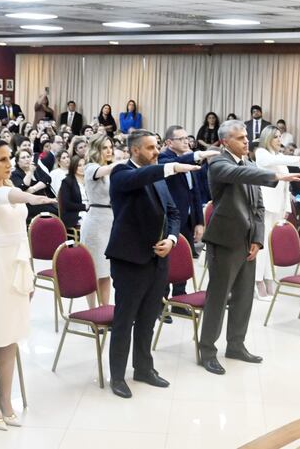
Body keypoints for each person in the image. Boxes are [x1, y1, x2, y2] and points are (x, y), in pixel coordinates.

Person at [0, 137, 55, 430]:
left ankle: (5, 398)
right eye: (3, 159)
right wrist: (30, 197)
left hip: (15, 264)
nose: (9, 164)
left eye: (10, 158)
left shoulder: (9, 189)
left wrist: (28, 272)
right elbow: (2, 199)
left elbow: (20, 233)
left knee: (10, 336)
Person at [198, 120, 300, 375]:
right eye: (240, 138)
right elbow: (239, 175)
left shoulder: (249, 164)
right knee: (218, 298)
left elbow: (259, 207)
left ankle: (236, 345)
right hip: (224, 240)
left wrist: (257, 239)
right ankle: (207, 350)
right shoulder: (219, 163)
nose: (246, 141)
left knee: (244, 297)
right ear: (225, 142)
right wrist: (275, 175)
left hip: (247, 242)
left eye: (246, 137)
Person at [105, 129, 199, 398]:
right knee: (125, 319)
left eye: (157, 147)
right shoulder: (122, 173)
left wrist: (171, 239)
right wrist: (172, 166)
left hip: (158, 259)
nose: (156, 152)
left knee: (148, 317)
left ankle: (144, 368)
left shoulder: (157, 174)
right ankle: (118, 376)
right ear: (135, 150)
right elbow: (140, 177)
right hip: (130, 258)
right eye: (150, 148)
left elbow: (173, 212)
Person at [158, 125, 219, 313]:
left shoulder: (189, 160)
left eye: (187, 138)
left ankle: (179, 300)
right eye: (181, 139)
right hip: (168, 219)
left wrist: (199, 222)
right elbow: (178, 163)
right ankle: (160, 304)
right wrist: (199, 155)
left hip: (187, 217)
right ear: (169, 142)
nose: (187, 141)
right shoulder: (164, 158)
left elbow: (196, 193)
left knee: (183, 258)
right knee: (165, 261)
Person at [253, 125, 300, 300]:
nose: (280, 140)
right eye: (276, 137)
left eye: (280, 137)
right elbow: (271, 164)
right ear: (267, 139)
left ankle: (269, 277)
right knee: (262, 245)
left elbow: (287, 185)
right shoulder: (261, 153)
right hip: (264, 205)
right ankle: (258, 281)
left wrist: (286, 208)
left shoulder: (279, 156)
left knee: (271, 245)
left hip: (278, 206)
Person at [80, 134, 122, 309]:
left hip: (111, 221)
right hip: (96, 223)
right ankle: (92, 311)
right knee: (94, 270)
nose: (109, 150)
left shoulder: (110, 170)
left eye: (110, 147)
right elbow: (100, 172)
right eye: (105, 147)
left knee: (106, 272)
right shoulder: (91, 167)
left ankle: (104, 308)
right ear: (96, 149)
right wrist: (121, 164)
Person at [10, 149, 57, 221]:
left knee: (59, 209)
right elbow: (23, 186)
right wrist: (30, 172)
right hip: (29, 204)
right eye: (23, 158)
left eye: (28, 157)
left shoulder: (36, 168)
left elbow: (47, 179)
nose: (27, 159)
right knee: (54, 211)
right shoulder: (15, 174)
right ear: (18, 162)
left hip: (43, 200)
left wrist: (33, 189)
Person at [59, 155, 87, 229]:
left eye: (84, 165)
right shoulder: (67, 182)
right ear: (73, 167)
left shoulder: (89, 180)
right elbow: (67, 204)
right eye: (79, 166)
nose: (83, 168)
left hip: (90, 209)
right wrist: (85, 207)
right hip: (74, 213)